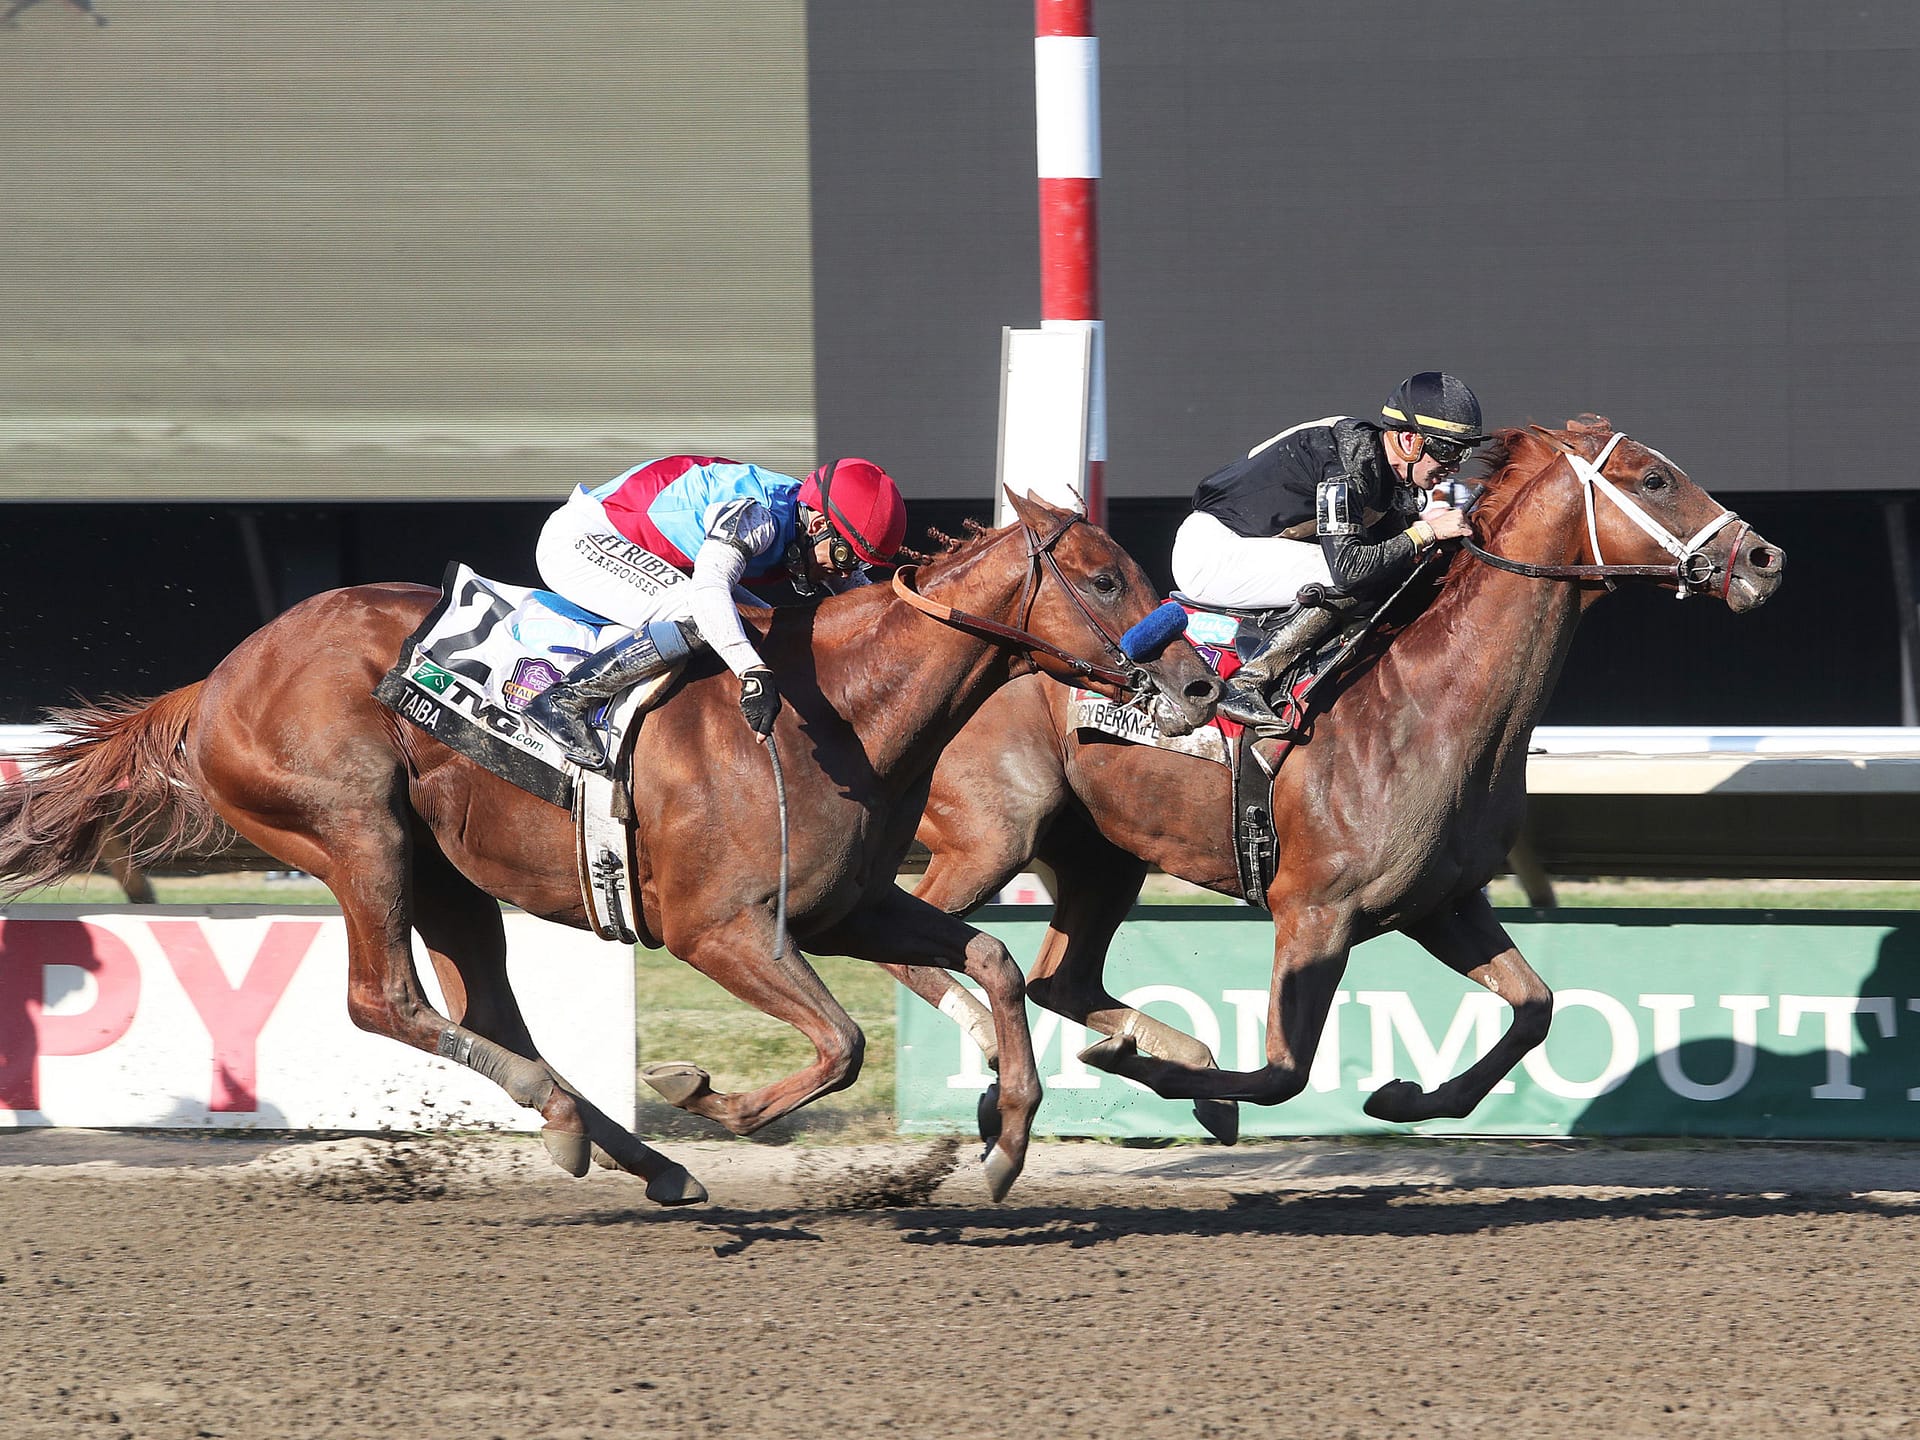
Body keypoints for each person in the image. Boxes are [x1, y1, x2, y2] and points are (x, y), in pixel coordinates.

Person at [526, 453, 908, 770]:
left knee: (767, 628)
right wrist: (752, 672)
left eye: (857, 563)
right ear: (820, 524)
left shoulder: (809, 521)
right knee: (700, 615)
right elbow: (709, 593)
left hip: (646, 550)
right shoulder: (757, 518)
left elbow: (862, 602)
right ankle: (563, 701)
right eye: (843, 557)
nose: (842, 572)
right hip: (580, 540)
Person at [1171, 371, 1489, 725]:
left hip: (1249, 545)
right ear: (1409, 441)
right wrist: (1426, 532)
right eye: (1446, 449)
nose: (1456, 465)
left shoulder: (1387, 472)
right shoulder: (1346, 468)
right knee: (1356, 578)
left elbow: (1400, 558)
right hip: (1212, 551)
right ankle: (1248, 683)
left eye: (1463, 451)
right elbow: (1351, 569)